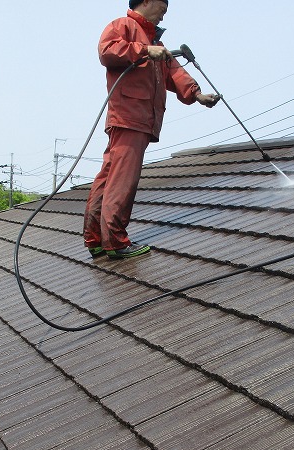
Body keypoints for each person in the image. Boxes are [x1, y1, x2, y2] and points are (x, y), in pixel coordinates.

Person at [83, 0, 220, 259]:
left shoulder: (154, 42)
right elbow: (107, 51)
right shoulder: (123, 26)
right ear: (146, 1)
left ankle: (96, 239)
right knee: (123, 179)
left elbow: (173, 72)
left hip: (136, 118)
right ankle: (116, 242)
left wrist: (197, 95)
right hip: (129, 115)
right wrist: (144, 50)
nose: (163, 15)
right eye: (162, 8)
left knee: (109, 176)